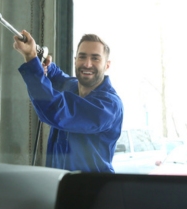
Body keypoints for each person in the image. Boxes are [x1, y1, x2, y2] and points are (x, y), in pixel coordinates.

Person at [13, 31, 124, 173]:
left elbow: (56, 110)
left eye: (95, 58)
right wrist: (45, 62)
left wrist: (31, 58)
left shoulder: (108, 106)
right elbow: (60, 78)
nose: (87, 64)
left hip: (92, 191)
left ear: (107, 65)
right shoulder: (73, 87)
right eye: (82, 57)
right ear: (75, 60)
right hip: (59, 185)